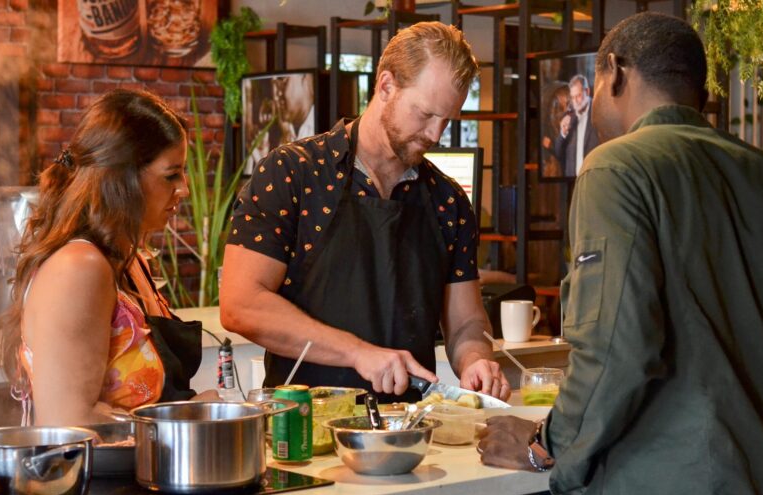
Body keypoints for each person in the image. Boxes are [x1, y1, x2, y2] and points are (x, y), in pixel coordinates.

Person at [478, 12, 763, 495]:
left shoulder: (616, 169)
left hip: (661, 482)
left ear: (616, 71)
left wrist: (546, 446)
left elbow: (615, 349)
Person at [221, 22, 510, 403]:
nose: (436, 135)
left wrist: (475, 359)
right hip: (305, 429)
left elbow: (467, 323)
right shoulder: (292, 172)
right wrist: (358, 352)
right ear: (386, 85)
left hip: (409, 432)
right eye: (425, 114)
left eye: (448, 119)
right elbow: (241, 304)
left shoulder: (448, 201)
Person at [0, 89, 218, 426]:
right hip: (93, 477)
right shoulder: (79, 268)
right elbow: (67, 423)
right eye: (171, 174)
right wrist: (186, 417)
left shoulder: (129, 261)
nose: (184, 189)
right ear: (121, 176)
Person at [551, 75, 598, 178]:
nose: (575, 101)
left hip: (594, 179)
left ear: (587, 92)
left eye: (578, 96)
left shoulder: (599, 114)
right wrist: (563, 133)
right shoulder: (568, 116)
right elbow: (558, 153)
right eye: (572, 97)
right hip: (572, 182)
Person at [274, 73, 315, 142]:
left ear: (305, 78)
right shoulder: (285, 130)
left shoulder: (326, 130)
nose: (277, 95)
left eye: (283, 82)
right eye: (276, 85)